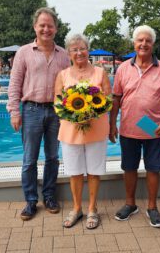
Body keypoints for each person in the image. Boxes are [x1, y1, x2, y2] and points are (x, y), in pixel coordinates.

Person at [109, 25, 160, 228]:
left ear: (153, 44)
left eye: (148, 40)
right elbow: (116, 98)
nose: (143, 44)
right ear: (134, 43)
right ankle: (130, 204)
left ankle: (152, 207)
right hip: (129, 126)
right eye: (140, 40)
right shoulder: (123, 68)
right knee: (129, 167)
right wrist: (112, 123)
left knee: (153, 168)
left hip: (153, 128)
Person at [7, 7, 70, 221]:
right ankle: (31, 201)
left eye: (50, 25)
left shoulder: (64, 55)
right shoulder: (24, 52)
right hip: (31, 110)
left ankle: (50, 196)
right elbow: (14, 84)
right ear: (35, 27)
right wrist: (15, 111)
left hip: (56, 112)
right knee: (29, 159)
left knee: (53, 157)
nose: (46, 29)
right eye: (42, 25)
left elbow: (70, 86)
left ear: (56, 28)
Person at [54, 34, 111, 230]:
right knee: (75, 172)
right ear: (69, 53)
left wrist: (92, 112)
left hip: (96, 128)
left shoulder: (100, 73)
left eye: (82, 48)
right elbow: (57, 101)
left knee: (94, 172)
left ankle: (93, 209)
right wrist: (72, 115)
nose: (79, 52)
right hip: (71, 130)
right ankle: (77, 208)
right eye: (74, 49)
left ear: (88, 50)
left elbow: (108, 100)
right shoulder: (62, 75)